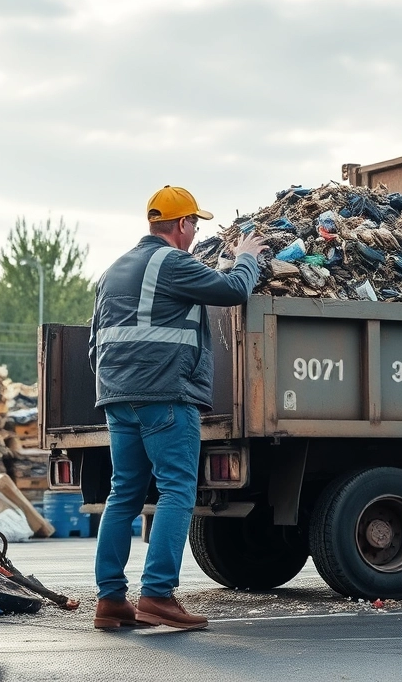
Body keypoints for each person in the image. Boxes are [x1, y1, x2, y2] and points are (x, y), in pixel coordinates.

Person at [89, 185, 268, 631]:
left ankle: (110, 600)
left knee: (124, 493)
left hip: (118, 397)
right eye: (195, 224)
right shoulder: (171, 262)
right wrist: (246, 256)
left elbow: (95, 342)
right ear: (183, 224)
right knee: (176, 490)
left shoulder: (112, 271)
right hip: (166, 395)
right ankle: (158, 595)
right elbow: (232, 291)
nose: (194, 233)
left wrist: (119, 383)